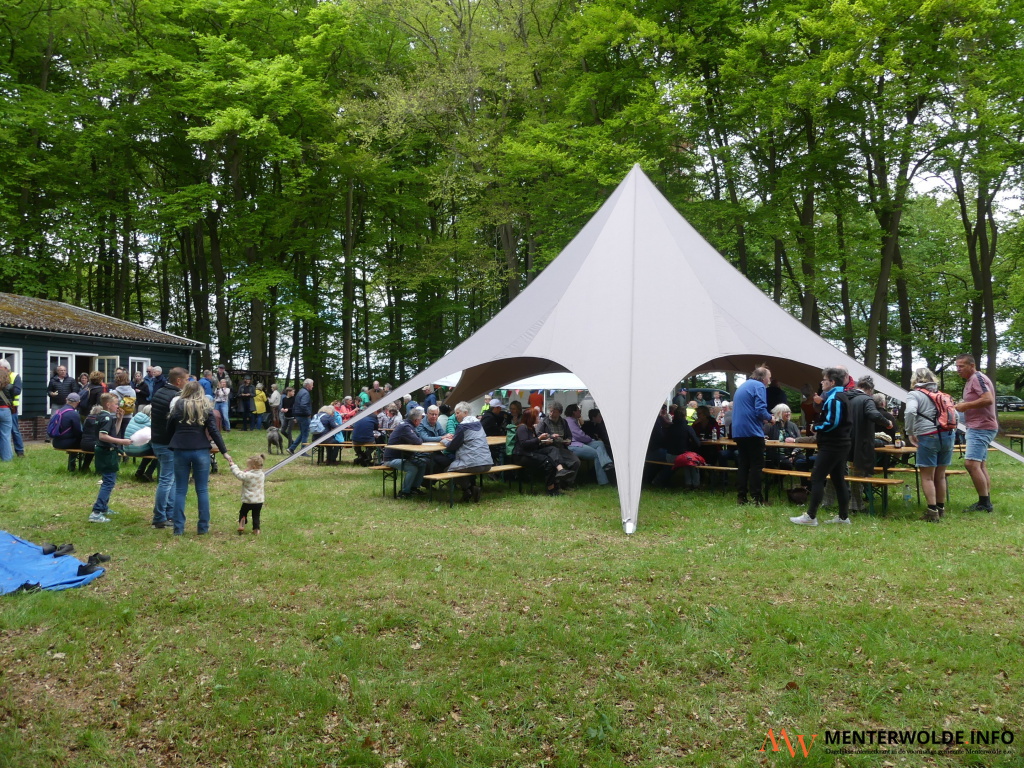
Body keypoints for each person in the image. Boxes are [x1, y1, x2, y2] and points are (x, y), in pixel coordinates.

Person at [166, 381, 231, 535]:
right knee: (202, 490)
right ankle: (203, 527)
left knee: (180, 490)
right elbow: (214, 431)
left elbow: (169, 428)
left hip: (180, 449)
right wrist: (224, 451)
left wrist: (172, 441)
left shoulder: (178, 406)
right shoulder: (205, 407)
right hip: (201, 450)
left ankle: (178, 528)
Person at [791, 367, 853, 526]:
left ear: (832, 382)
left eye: (824, 380)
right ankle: (843, 517)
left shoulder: (834, 399)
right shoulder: (839, 396)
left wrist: (815, 427)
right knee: (838, 479)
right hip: (840, 443)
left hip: (833, 444)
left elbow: (833, 423)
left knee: (817, 477)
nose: (821, 382)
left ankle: (810, 517)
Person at [905, 367, 955, 522]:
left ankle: (932, 512)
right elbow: (956, 415)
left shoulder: (915, 394)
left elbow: (910, 411)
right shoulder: (941, 395)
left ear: (915, 379)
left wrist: (910, 432)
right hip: (948, 435)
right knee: (940, 475)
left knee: (927, 477)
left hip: (928, 436)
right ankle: (941, 508)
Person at [841, 375, 893, 512]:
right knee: (858, 474)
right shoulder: (866, 399)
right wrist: (887, 422)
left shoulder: (846, 397)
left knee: (844, 472)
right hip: (860, 442)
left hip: (844, 440)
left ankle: (831, 502)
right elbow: (874, 414)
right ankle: (856, 505)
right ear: (870, 389)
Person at [954, 354, 999, 513]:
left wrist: (965, 406)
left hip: (981, 427)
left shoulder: (977, 378)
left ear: (972, 365)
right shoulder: (971, 380)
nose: (958, 369)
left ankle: (984, 503)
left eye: (961, 366)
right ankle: (985, 501)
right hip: (978, 426)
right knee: (980, 464)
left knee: (971, 464)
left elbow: (988, 399)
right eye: (957, 366)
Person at [150, 367, 188, 530]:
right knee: (166, 480)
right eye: (186, 379)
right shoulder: (176, 397)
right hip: (167, 443)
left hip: (157, 440)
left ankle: (169, 514)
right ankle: (159, 517)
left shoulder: (159, 392)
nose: (187, 382)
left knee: (171, 479)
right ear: (178, 381)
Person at [732, 366, 775, 506]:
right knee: (756, 465)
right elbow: (760, 410)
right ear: (763, 378)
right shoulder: (759, 386)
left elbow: (749, 409)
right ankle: (757, 498)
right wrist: (770, 418)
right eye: (769, 378)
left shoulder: (743, 386)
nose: (769, 381)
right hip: (752, 431)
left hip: (738, 431)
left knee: (743, 464)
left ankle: (741, 497)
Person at [86, 393, 132, 522]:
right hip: (106, 452)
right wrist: (122, 442)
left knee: (108, 480)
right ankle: (96, 512)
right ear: (108, 404)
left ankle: (104, 508)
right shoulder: (106, 417)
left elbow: (113, 433)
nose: (118, 406)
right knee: (108, 482)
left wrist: (119, 419)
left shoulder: (103, 415)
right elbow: (103, 436)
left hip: (106, 451)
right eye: (116, 404)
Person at [512, 408, 574, 496]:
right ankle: (551, 490)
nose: (538, 418)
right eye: (536, 416)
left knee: (553, 449)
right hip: (522, 456)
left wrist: (545, 441)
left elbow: (534, 443)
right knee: (549, 461)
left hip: (531, 452)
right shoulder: (522, 428)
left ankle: (561, 470)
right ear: (531, 418)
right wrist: (539, 439)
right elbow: (524, 444)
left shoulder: (531, 428)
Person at [442, 402, 493, 502]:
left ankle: (468, 489)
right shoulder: (479, 424)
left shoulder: (463, 426)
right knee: (464, 466)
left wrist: (444, 441)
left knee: (448, 470)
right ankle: (471, 489)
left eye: (458, 413)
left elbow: (452, 446)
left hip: (473, 464)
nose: (456, 416)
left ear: (465, 413)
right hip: (487, 463)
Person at [383, 406, 428, 499]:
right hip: (391, 459)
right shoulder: (406, 427)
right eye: (420, 419)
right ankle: (404, 492)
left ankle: (414, 488)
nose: (421, 422)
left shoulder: (408, 425)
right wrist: (419, 439)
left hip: (403, 456)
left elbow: (419, 439)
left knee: (422, 464)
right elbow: (418, 441)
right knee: (412, 468)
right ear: (416, 420)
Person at [563, 403, 614, 486]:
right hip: (574, 444)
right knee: (597, 454)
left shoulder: (573, 420)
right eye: (578, 410)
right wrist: (590, 439)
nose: (580, 411)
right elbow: (579, 435)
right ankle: (603, 481)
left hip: (579, 442)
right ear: (573, 412)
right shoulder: (570, 421)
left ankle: (607, 463)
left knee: (599, 443)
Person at [538, 402, 581, 487]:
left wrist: (568, 441)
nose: (551, 413)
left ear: (560, 413)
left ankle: (567, 483)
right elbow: (538, 435)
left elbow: (569, 435)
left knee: (576, 461)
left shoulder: (563, 422)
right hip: (549, 448)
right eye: (550, 411)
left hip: (561, 447)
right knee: (557, 461)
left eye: (554, 412)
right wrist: (551, 436)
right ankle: (558, 484)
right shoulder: (544, 422)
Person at [230, 453, 266, 535]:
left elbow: (239, 475)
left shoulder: (248, 475)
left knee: (243, 512)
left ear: (253, 467)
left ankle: (242, 525)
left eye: (248, 466)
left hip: (248, 500)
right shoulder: (262, 475)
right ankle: (256, 530)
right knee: (256, 515)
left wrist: (233, 466)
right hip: (259, 501)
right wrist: (248, 470)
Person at [50, 392, 85, 469]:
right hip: (66, 443)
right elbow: (78, 432)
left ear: (66, 400)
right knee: (87, 444)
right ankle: (81, 467)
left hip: (55, 442)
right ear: (77, 402)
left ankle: (72, 466)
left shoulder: (59, 411)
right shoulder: (73, 414)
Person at [417, 405, 454, 474]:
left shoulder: (437, 423)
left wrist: (449, 436)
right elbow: (425, 438)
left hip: (436, 451)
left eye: (436, 414)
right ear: (427, 414)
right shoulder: (421, 424)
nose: (434, 416)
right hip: (424, 452)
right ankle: (429, 479)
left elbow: (443, 434)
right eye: (432, 414)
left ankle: (432, 479)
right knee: (441, 463)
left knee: (447, 461)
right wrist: (442, 437)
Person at [124, 404, 156, 482]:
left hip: (126, 449)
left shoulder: (133, 418)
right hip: (138, 450)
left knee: (148, 449)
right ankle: (149, 473)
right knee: (161, 453)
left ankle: (140, 471)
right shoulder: (149, 422)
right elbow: (152, 439)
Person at [0, 360, 24, 457]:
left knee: (14, 430)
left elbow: (17, 391)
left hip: (12, 407)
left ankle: (19, 451)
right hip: (6, 407)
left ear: (5, 368)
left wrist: (5, 387)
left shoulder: (15, 376)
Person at [287, 379, 314, 454]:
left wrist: (295, 415)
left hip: (298, 415)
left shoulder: (300, 392)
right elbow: (303, 405)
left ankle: (291, 448)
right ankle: (303, 451)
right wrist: (308, 413)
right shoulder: (305, 393)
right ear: (308, 385)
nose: (313, 386)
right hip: (303, 416)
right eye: (312, 385)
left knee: (303, 433)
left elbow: (296, 404)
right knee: (305, 433)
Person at [0, 366, 16, 462]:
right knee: (5, 435)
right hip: (5, 410)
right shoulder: (10, 386)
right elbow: (12, 399)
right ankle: (7, 458)